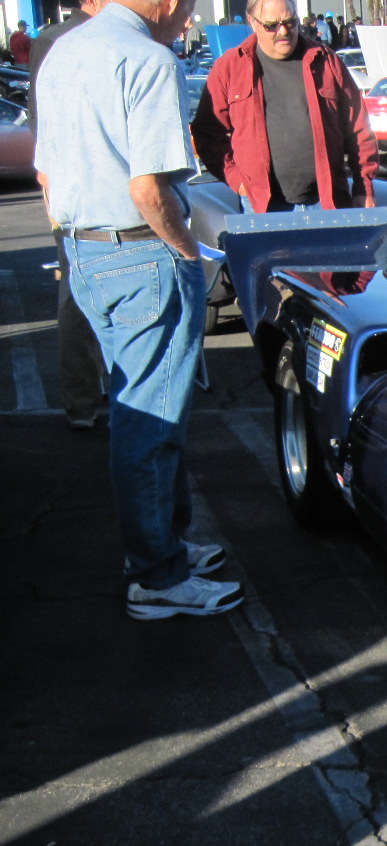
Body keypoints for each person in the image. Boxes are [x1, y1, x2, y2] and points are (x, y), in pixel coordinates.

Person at [35, 0, 242, 619]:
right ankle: (156, 572)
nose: (188, 17)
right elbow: (149, 189)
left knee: (140, 407)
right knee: (149, 418)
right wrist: (187, 254)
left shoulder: (63, 51)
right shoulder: (148, 60)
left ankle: (164, 546)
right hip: (139, 249)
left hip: (86, 248)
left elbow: (46, 173)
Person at [192, 0, 377, 216]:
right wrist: (238, 180)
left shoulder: (326, 62)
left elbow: (359, 129)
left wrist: (363, 187)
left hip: (327, 201)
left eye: (290, 22)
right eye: (272, 25)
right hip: (262, 206)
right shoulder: (230, 68)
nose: (283, 31)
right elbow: (207, 133)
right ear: (252, 22)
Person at [29, 0, 108, 431]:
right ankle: (84, 400)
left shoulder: (118, 34)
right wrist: (51, 186)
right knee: (78, 291)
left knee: (88, 288)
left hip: (95, 185)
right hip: (74, 186)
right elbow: (43, 121)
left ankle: (92, 399)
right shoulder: (57, 39)